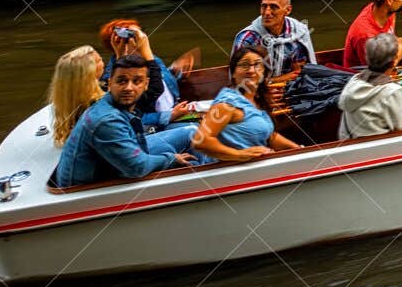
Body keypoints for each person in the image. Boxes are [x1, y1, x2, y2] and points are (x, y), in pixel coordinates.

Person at [54, 54, 200, 187]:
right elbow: (137, 168)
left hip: (112, 163)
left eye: (137, 81)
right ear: (110, 83)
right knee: (188, 150)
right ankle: (201, 186)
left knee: (193, 133)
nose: (129, 88)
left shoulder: (118, 103)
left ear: (146, 84)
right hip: (88, 189)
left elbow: (156, 89)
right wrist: (170, 158)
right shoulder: (106, 121)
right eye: (122, 81)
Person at [191, 44, 302, 161]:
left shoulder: (257, 99)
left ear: (264, 72)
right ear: (233, 73)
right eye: (245, 65)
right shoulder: (227, 104)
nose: (251, 70)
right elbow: (201, 141)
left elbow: (270, 136)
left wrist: (298, 150)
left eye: (258, 65)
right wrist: (240, 155)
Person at [98, 19, 182, 124]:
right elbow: (128, 114)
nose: (142, 38)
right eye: (135, 36)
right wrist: (169, 115)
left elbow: (162, 80)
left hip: (176, 108)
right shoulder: (111, 77)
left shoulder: (153, 59)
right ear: (121, 42)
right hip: (155, 123)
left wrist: (176, 70)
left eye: (141, 33)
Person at [338, 32, 402, 139]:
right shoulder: (392, 91)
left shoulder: (354, 81)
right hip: (382, 149)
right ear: (393, 61)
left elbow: (343, 133)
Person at [231, 0, 316, 76]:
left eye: (274, 7)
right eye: (264, 6)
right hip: (258, 88)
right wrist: (279, 80)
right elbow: (240, 79)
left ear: (288, 10)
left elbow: (303, 68)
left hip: (295, 85)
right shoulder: (247, 38)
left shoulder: (299, 31)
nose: (267, 12)